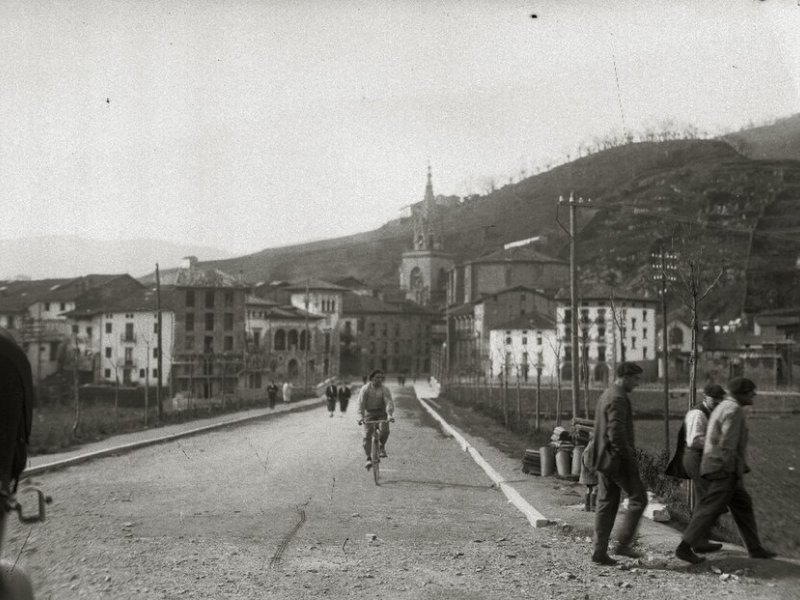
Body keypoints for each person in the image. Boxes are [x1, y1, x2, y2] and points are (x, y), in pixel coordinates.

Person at [675, 377, 777, 563]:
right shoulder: (733, 409)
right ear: (741, 394)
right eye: (750, 391)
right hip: (723, 467)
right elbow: (727, 445)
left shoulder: (724, 407)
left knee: (742, 503)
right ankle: (685, 546)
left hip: (719, 465)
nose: (754, 394)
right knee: (711, 507)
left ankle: (755, 548)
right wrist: (733, 472)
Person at [590, 362, 647, 566]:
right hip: (617, 459)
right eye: (635, 379)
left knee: (606, 504)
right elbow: (616, 434)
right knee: (639, 499)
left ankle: (599, 551)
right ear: (625, 377)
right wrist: (629, 459)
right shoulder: (618, 398)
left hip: (603, 458)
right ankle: (623, 544)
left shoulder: (607, 394)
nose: (637, 384)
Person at [665, 383, 726, 553]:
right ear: (706, 397)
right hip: (694, 457)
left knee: (705, 499)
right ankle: (694, 540)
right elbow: (694, 440)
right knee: (709, 499)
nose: (718, 402)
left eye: (721, 399)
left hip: (703, 457)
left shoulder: (712, 412)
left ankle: (699, 540)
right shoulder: (698, 413)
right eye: (715, 399)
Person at [356, 369, 395, 470]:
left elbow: (388, 402)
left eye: (381, 378)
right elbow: (361, 404)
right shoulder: (365, 389)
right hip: (369, 414)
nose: (379, 380)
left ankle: (382, 447)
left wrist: (389, 414)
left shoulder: (384, 389)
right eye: (377, 377)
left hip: (382, 413)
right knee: (366, 436)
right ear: (372, 378)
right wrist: (360, 417)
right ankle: (368, 457)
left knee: (385, 430)